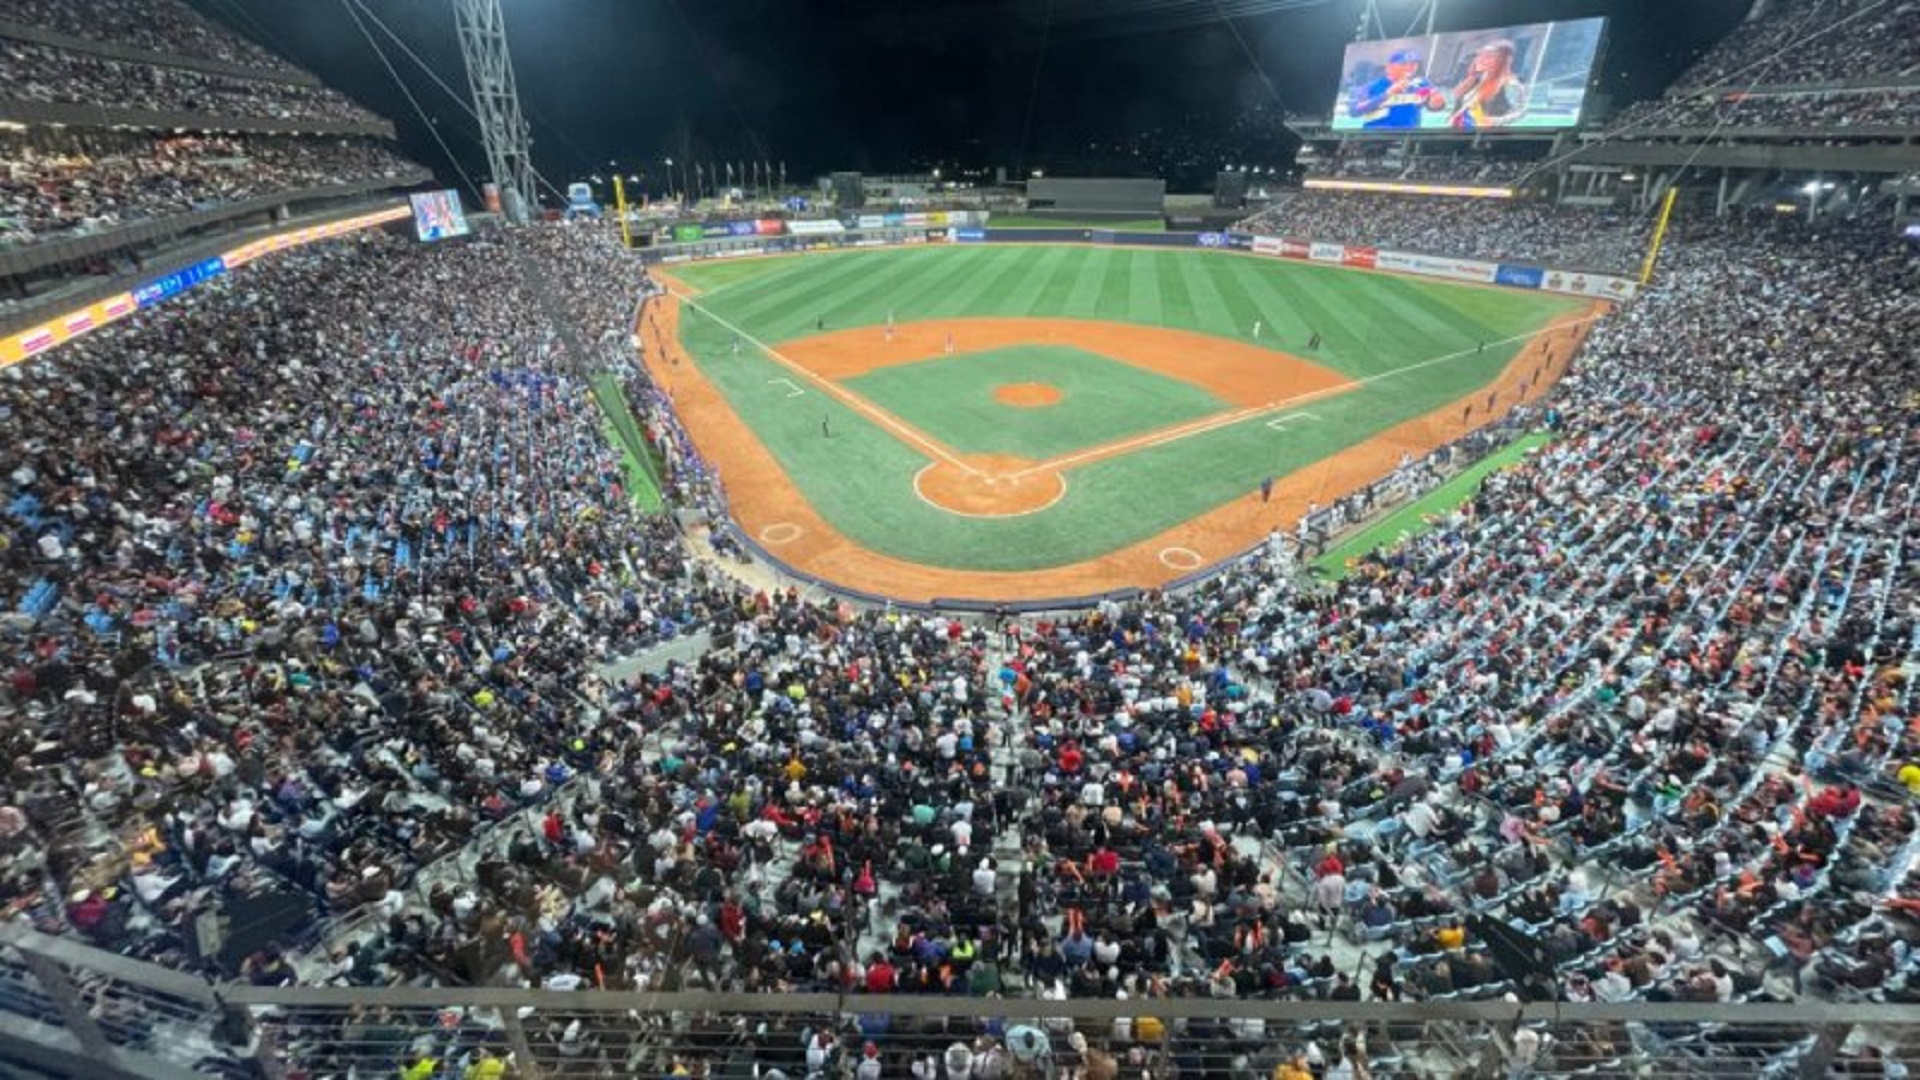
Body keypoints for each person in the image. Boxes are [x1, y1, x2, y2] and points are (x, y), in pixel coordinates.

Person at [1348, 48, 1444, 129]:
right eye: (1404, 64)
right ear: (1390, 67)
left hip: (1409, 137)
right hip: (1374, 136)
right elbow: (1354, 111)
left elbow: (1434, 106)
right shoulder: (1371, 85)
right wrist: (1387, 94)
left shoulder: (1422, 83)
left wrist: (1436, 104)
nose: (1410, 68)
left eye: (1414, 64)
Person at [1449, 40, 1528, 131]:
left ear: (1502, 60)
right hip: (1460, 134)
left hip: (1488, 138)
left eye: (1488, 56)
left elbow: (1520, 112)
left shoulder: (1510, 84)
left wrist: (1493, 121)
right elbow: (1459, 104)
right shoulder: (1478, 79)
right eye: (1480, 55)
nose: (1480, 59)